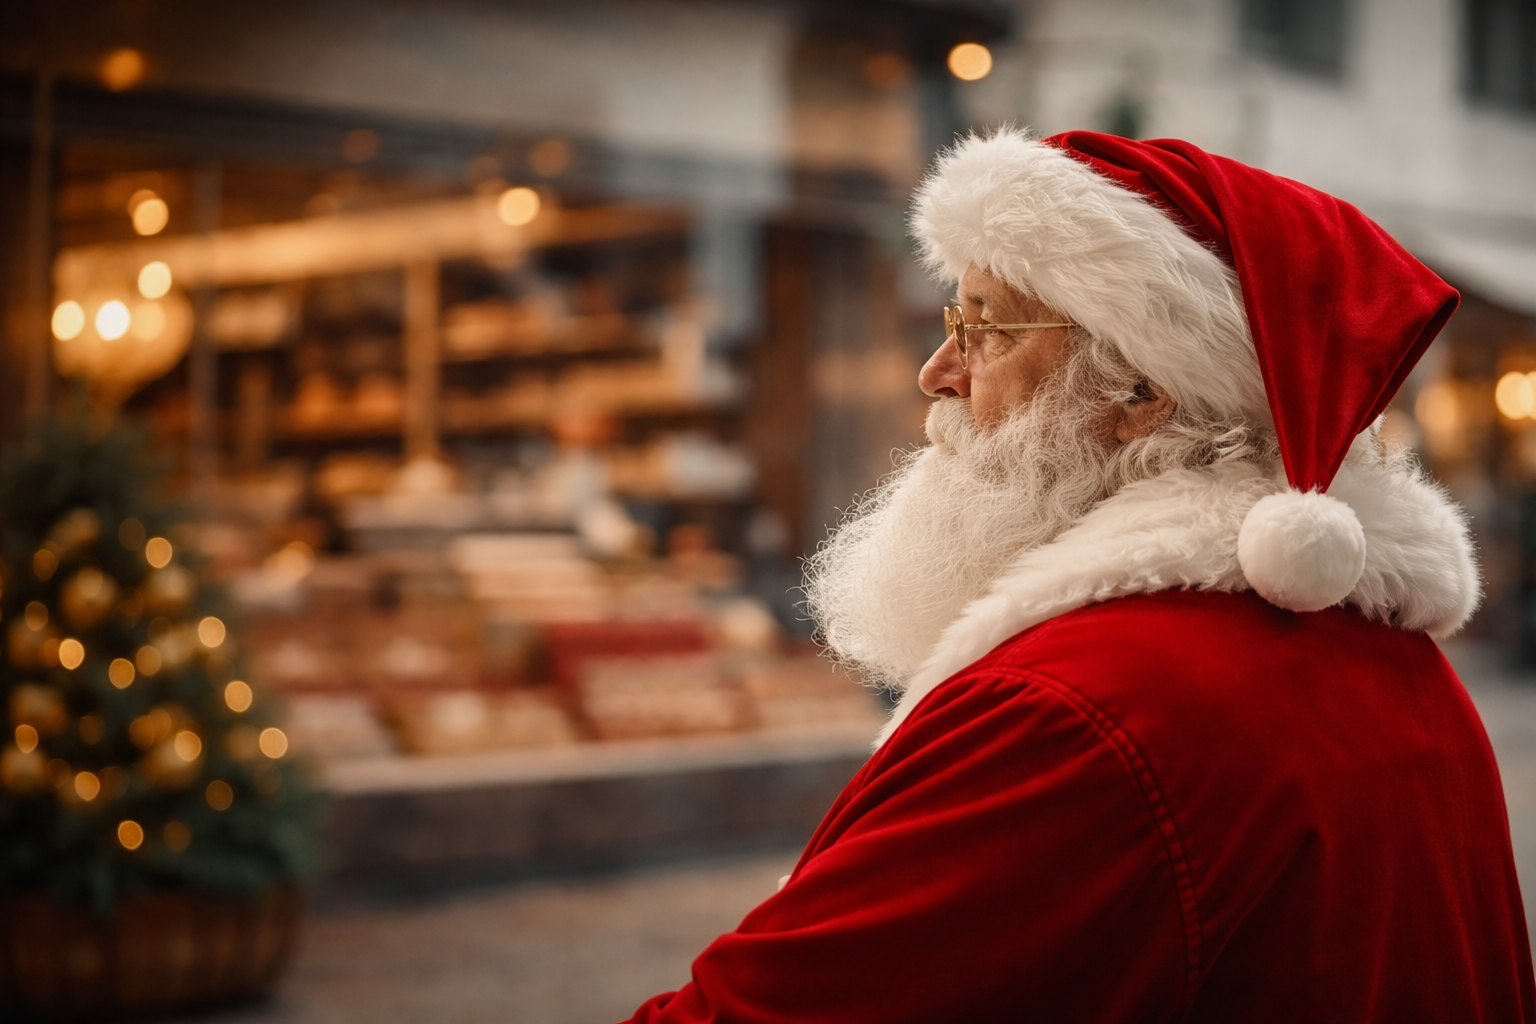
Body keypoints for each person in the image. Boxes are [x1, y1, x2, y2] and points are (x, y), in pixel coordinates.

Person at [621, 129, 1535, 1022]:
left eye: (986, 329)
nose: (938, 372)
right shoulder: (1395, 658)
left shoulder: (1073, 709)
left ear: (1142, 391)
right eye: (953, 322)